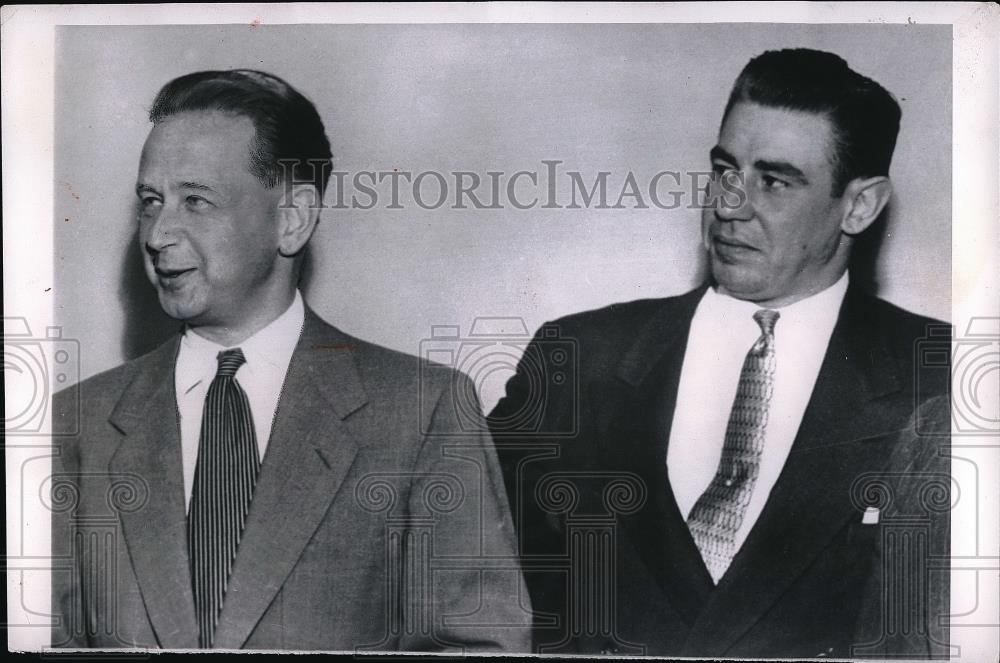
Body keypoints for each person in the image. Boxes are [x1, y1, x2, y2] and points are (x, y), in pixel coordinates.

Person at [491, 48, 950, 657]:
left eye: (775, 182)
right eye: (724, 169)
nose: (729, 205)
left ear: (859, 205)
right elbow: (473, 590)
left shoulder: (943, 375)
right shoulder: (575, 360)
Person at [51, 69, 530, 652]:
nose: (158, 234)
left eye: (196, 200)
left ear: (293, 217)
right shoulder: (73, 426)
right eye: (151, 202)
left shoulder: (422, 413)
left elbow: (480, 646)